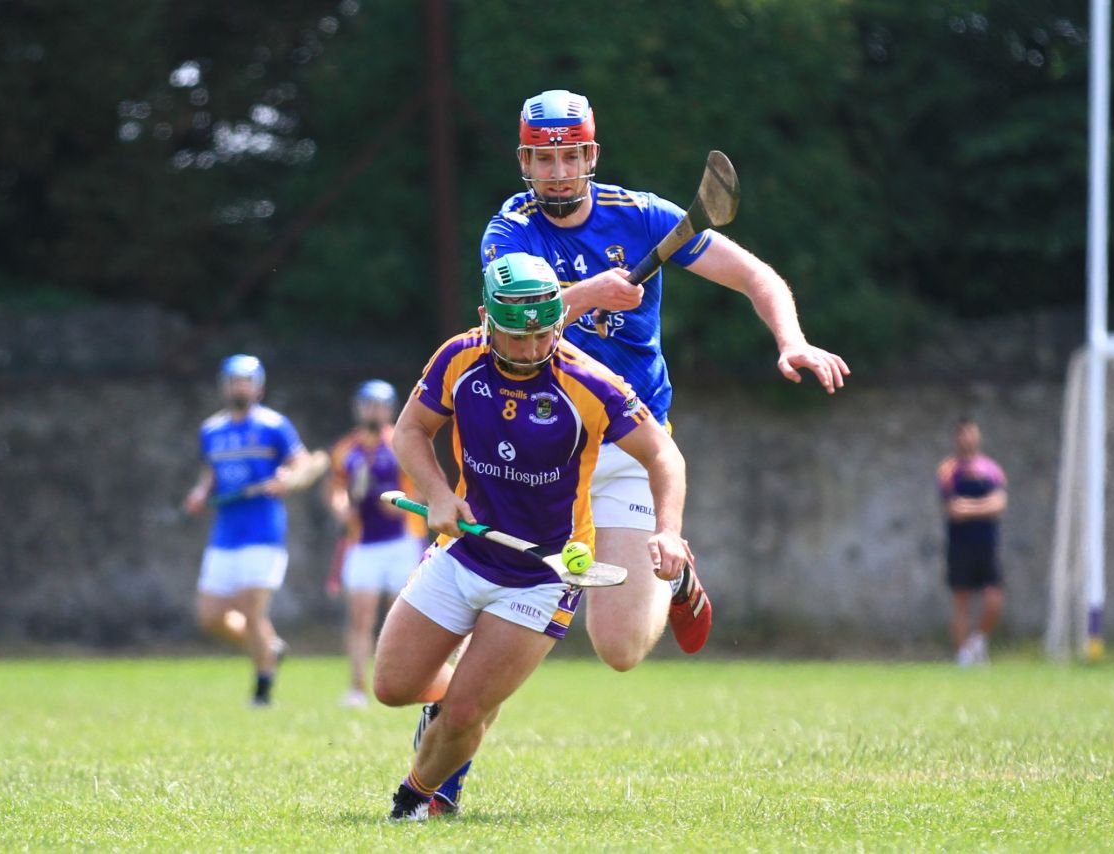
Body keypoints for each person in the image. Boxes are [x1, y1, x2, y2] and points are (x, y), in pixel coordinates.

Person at [479, 89, 850, 669]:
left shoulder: (643, 216)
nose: (558, 173)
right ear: (524, 163)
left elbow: (755, 275)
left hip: (631, 438)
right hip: (542, 442)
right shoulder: (510, 231)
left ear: (591, 155)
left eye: (570, 156)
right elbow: (504, 321)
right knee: (482, 583)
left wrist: (792, 340)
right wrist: (587, 295)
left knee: (620, 650)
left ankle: (678, 584)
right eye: (544, 159)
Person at [375, 253, 694, 820]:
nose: (528, 350)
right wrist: (440, 493)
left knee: (469, 711)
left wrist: (668, 531)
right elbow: (410, 431)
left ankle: (415, 796)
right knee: (393, 687)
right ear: (485, 318)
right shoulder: (459, 357)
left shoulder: (590, 381)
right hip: (464, 551)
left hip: (544, 574)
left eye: (542, 334)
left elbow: (663, 454)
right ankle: (451, 714)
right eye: (514, 337)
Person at [182, 354, 318, 706]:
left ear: (258, 386)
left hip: (263, 533)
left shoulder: (274, 425)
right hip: (224, 533)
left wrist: (287, 478)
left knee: (251, 612)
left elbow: (304, 462)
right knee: (210, 617)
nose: (239, 386)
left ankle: (262, 689)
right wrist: (200, 493)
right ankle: (269, 647)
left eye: (246, 380)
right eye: (233, 380)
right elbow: (211, 472)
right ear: (224, 386)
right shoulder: (211, 430)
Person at [324, 379, 427, 709]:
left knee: (402, 617)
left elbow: (425, 487)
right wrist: (340, 505)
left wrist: (403, 502)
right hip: (362, 543)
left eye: (380, 404)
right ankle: (356, 686)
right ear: (359, 407)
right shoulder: (346, 448)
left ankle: (405, 684)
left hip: (402, 543)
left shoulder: (402, 442)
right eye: (368, 404)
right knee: (360, 618)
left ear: (390, 408)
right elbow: (335, 487)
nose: (374, 410)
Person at [936, 416, 1007, 666]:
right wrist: (982, 506)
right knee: (962, 600)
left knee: (994, 597)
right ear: (957, 438)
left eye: (971, 433)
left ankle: (979, 640)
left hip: (986, 543)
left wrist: (971, 507)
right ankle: (963, 655)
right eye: (963, 434)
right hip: (960, 544)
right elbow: (954, 509)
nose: (968, 438)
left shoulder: (991, 469)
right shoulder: (949, 470)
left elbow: (999, 504)